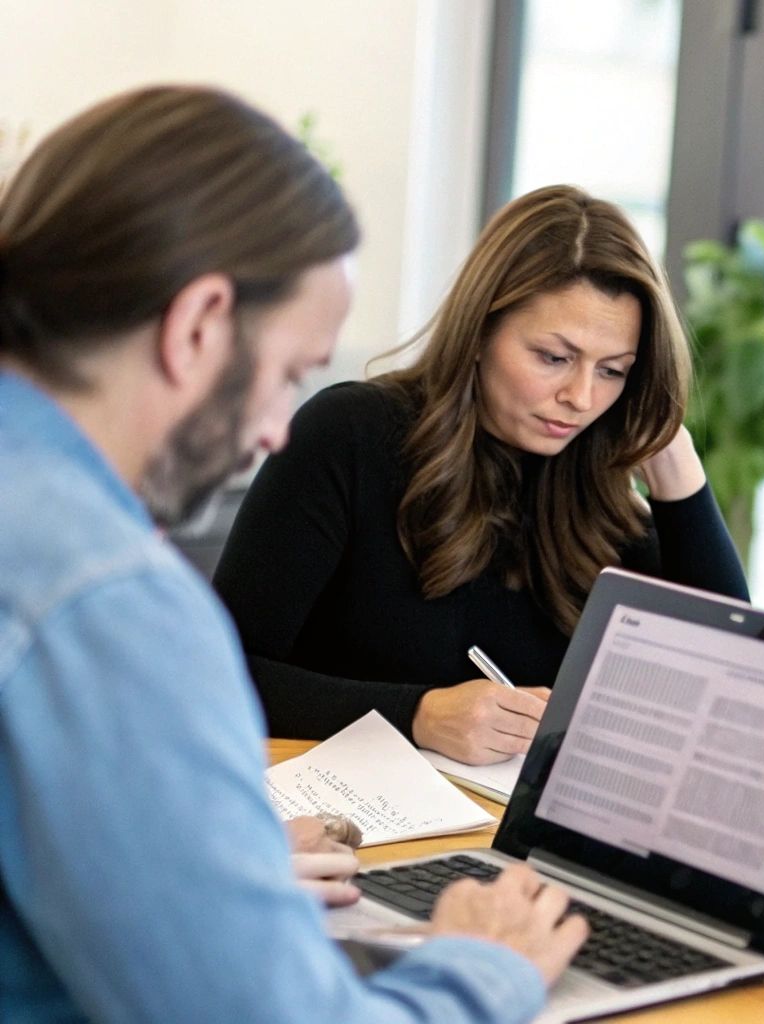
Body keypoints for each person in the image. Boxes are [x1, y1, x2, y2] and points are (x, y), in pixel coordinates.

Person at [0, 85, 584, 1022]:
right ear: (197, 326)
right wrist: (484, 965)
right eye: (284, 375)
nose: (277, 430)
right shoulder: (109, 603)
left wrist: (197, 862)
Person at [213, 184, 746, 765]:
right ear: (479, 332)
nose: (581, 397)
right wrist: (415, 714)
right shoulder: (351, 436)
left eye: (614, 371)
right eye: (553, 358)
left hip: (501, 833)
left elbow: (729, 689)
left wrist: (681, 479)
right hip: (344, 822)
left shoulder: (598, 497)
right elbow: (216, 676)